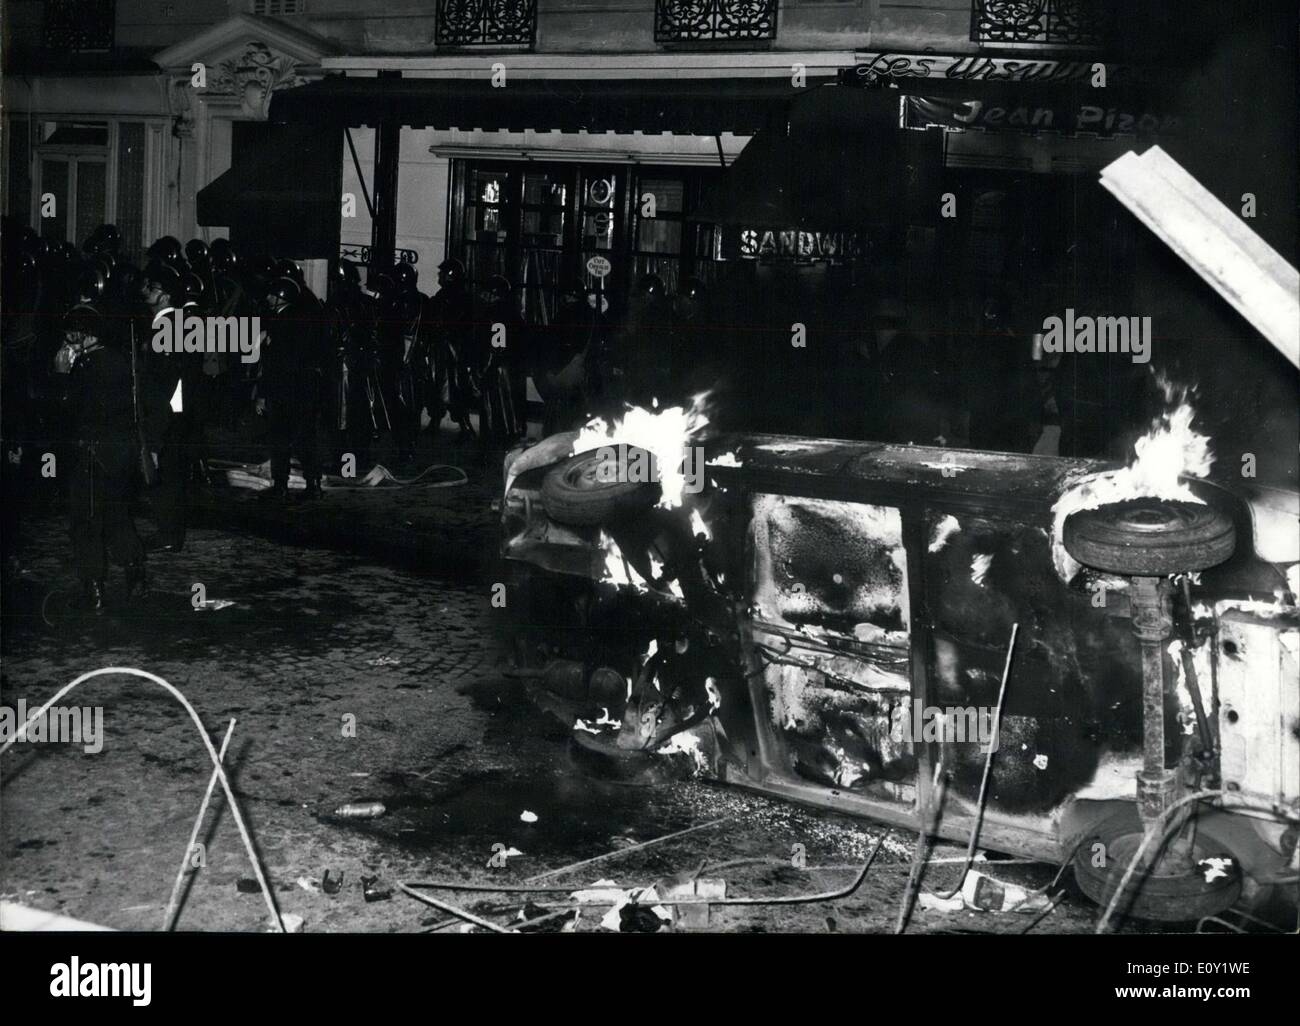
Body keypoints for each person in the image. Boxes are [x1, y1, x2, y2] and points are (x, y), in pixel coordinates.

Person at [56, 284, 146, 610]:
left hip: (91, 453)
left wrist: (63, 376)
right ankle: (136, 574)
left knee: (86, 520)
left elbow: (71, 412)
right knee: (118, 515)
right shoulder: (121, 360)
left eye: (72, 335)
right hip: (121, 452)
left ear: (86, 336)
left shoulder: (84, 367)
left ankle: (93, 587)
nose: (67, 340)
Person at [260, 276, 326, 500]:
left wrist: (262, 394)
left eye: (272, 295)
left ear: (281, 298)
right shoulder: (303, 319)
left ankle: (280, 485)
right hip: (305, 389)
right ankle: (313, 483)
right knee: (305, 438)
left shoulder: (278, 323)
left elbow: (271, 365)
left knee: (280, 440)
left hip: (283, 389)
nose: (268, 298)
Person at [427, 258, 476, 443]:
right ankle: (435, 421)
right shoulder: (442, 296)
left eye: (442, 273)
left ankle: (465, 426)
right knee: (437, 386)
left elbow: (461, 326)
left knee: (457, 389)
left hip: (455, 352)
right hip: (441, 350)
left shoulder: (462, 298)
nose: (439, 276)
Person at [476, 274, 526, 447]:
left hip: (498, 370)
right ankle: (507, 440)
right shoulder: (513, 313)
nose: (482, 296)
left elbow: (496, 346)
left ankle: (490, 446)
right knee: (510, 409)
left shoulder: (495, 314)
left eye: (485, 293)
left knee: (494, 409)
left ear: (493, 294)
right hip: (510, 368)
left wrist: (484, 369)